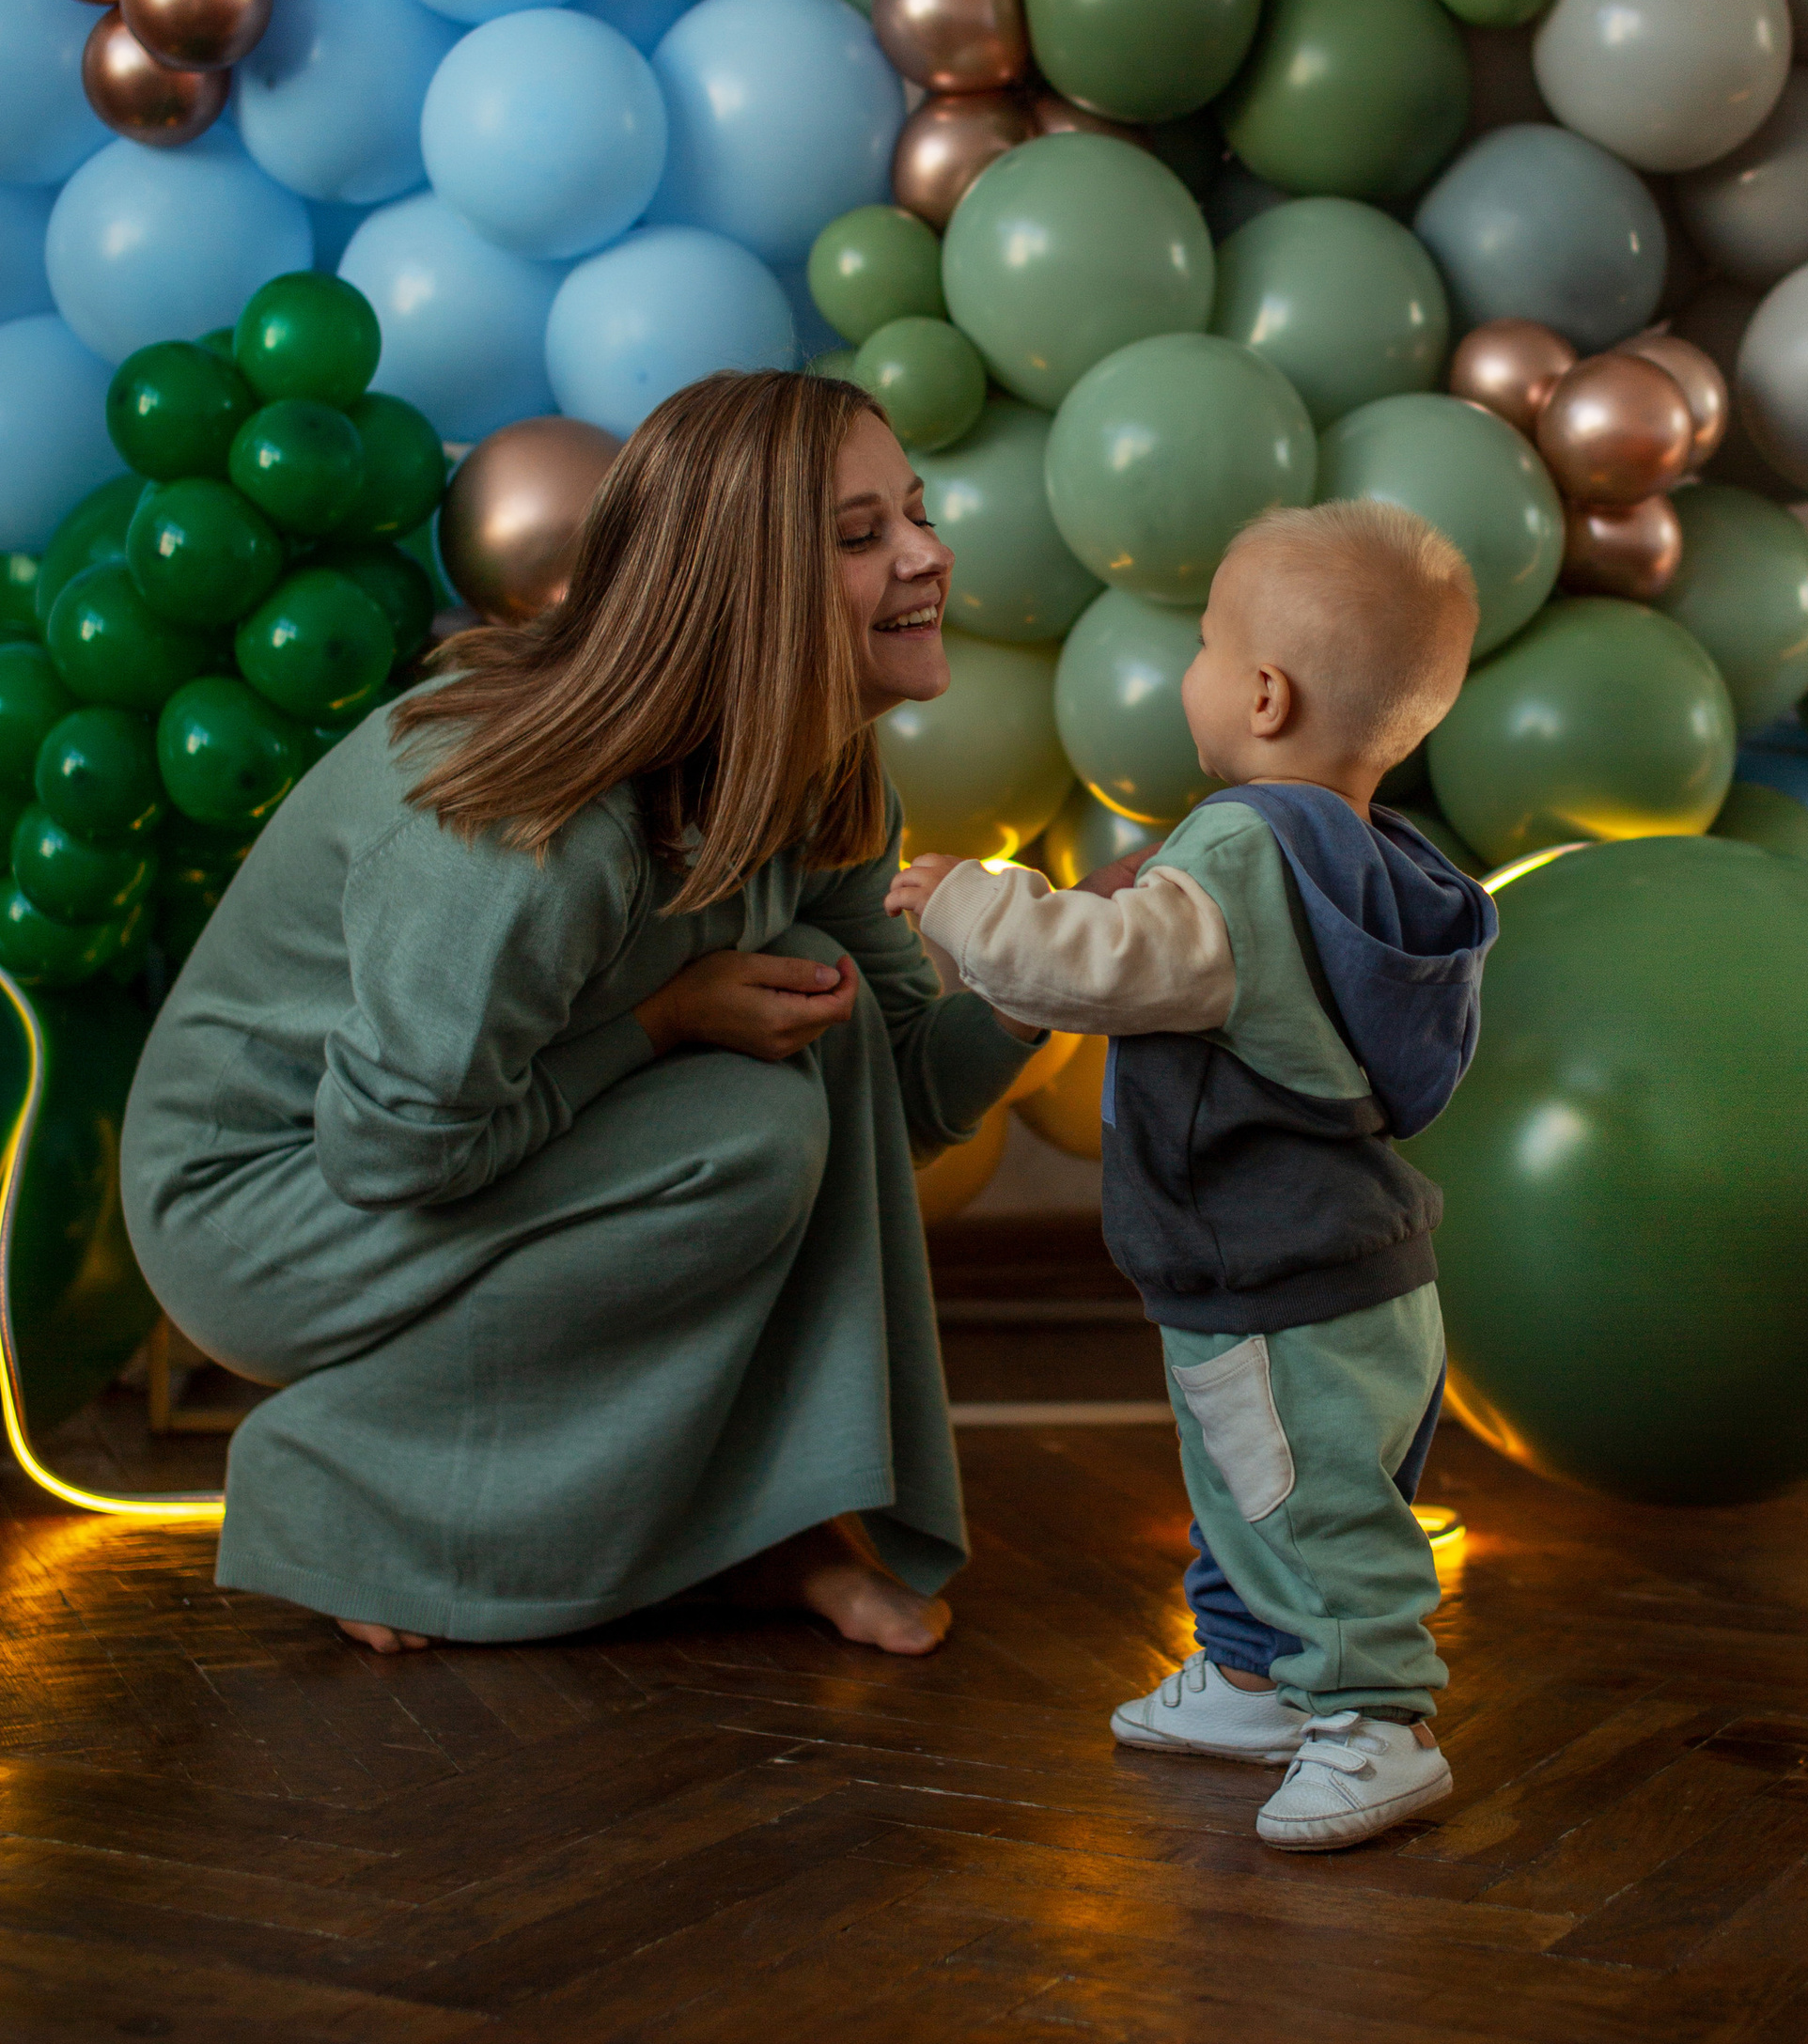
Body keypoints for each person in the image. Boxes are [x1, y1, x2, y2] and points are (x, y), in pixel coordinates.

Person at [122, 370, 1047, 1659]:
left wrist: (1050, 978)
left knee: (800, 1067)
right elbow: (390, 1153)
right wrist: (661, 1025)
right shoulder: (533, 836)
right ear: (743, 593)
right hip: (264, 1211)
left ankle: (756, 1522)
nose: (928, 556)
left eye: (917, 514)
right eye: (861, 534)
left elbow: (904, 1095)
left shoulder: (819, 776)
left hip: (429, 1153)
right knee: (746, 1129)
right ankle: (351, 1493)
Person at [890, 497, 1496, 1853]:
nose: (1194, 670)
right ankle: (1246, 1683)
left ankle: (1375, 1722)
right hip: (1356, 1268)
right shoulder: (1373, 859)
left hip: (1273, 1273)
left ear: (1265, 694)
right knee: (1249, 1488)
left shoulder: (1236, 844)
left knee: (1308, 1506)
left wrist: (965, 901)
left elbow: (1105, 969)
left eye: (1208, 643)